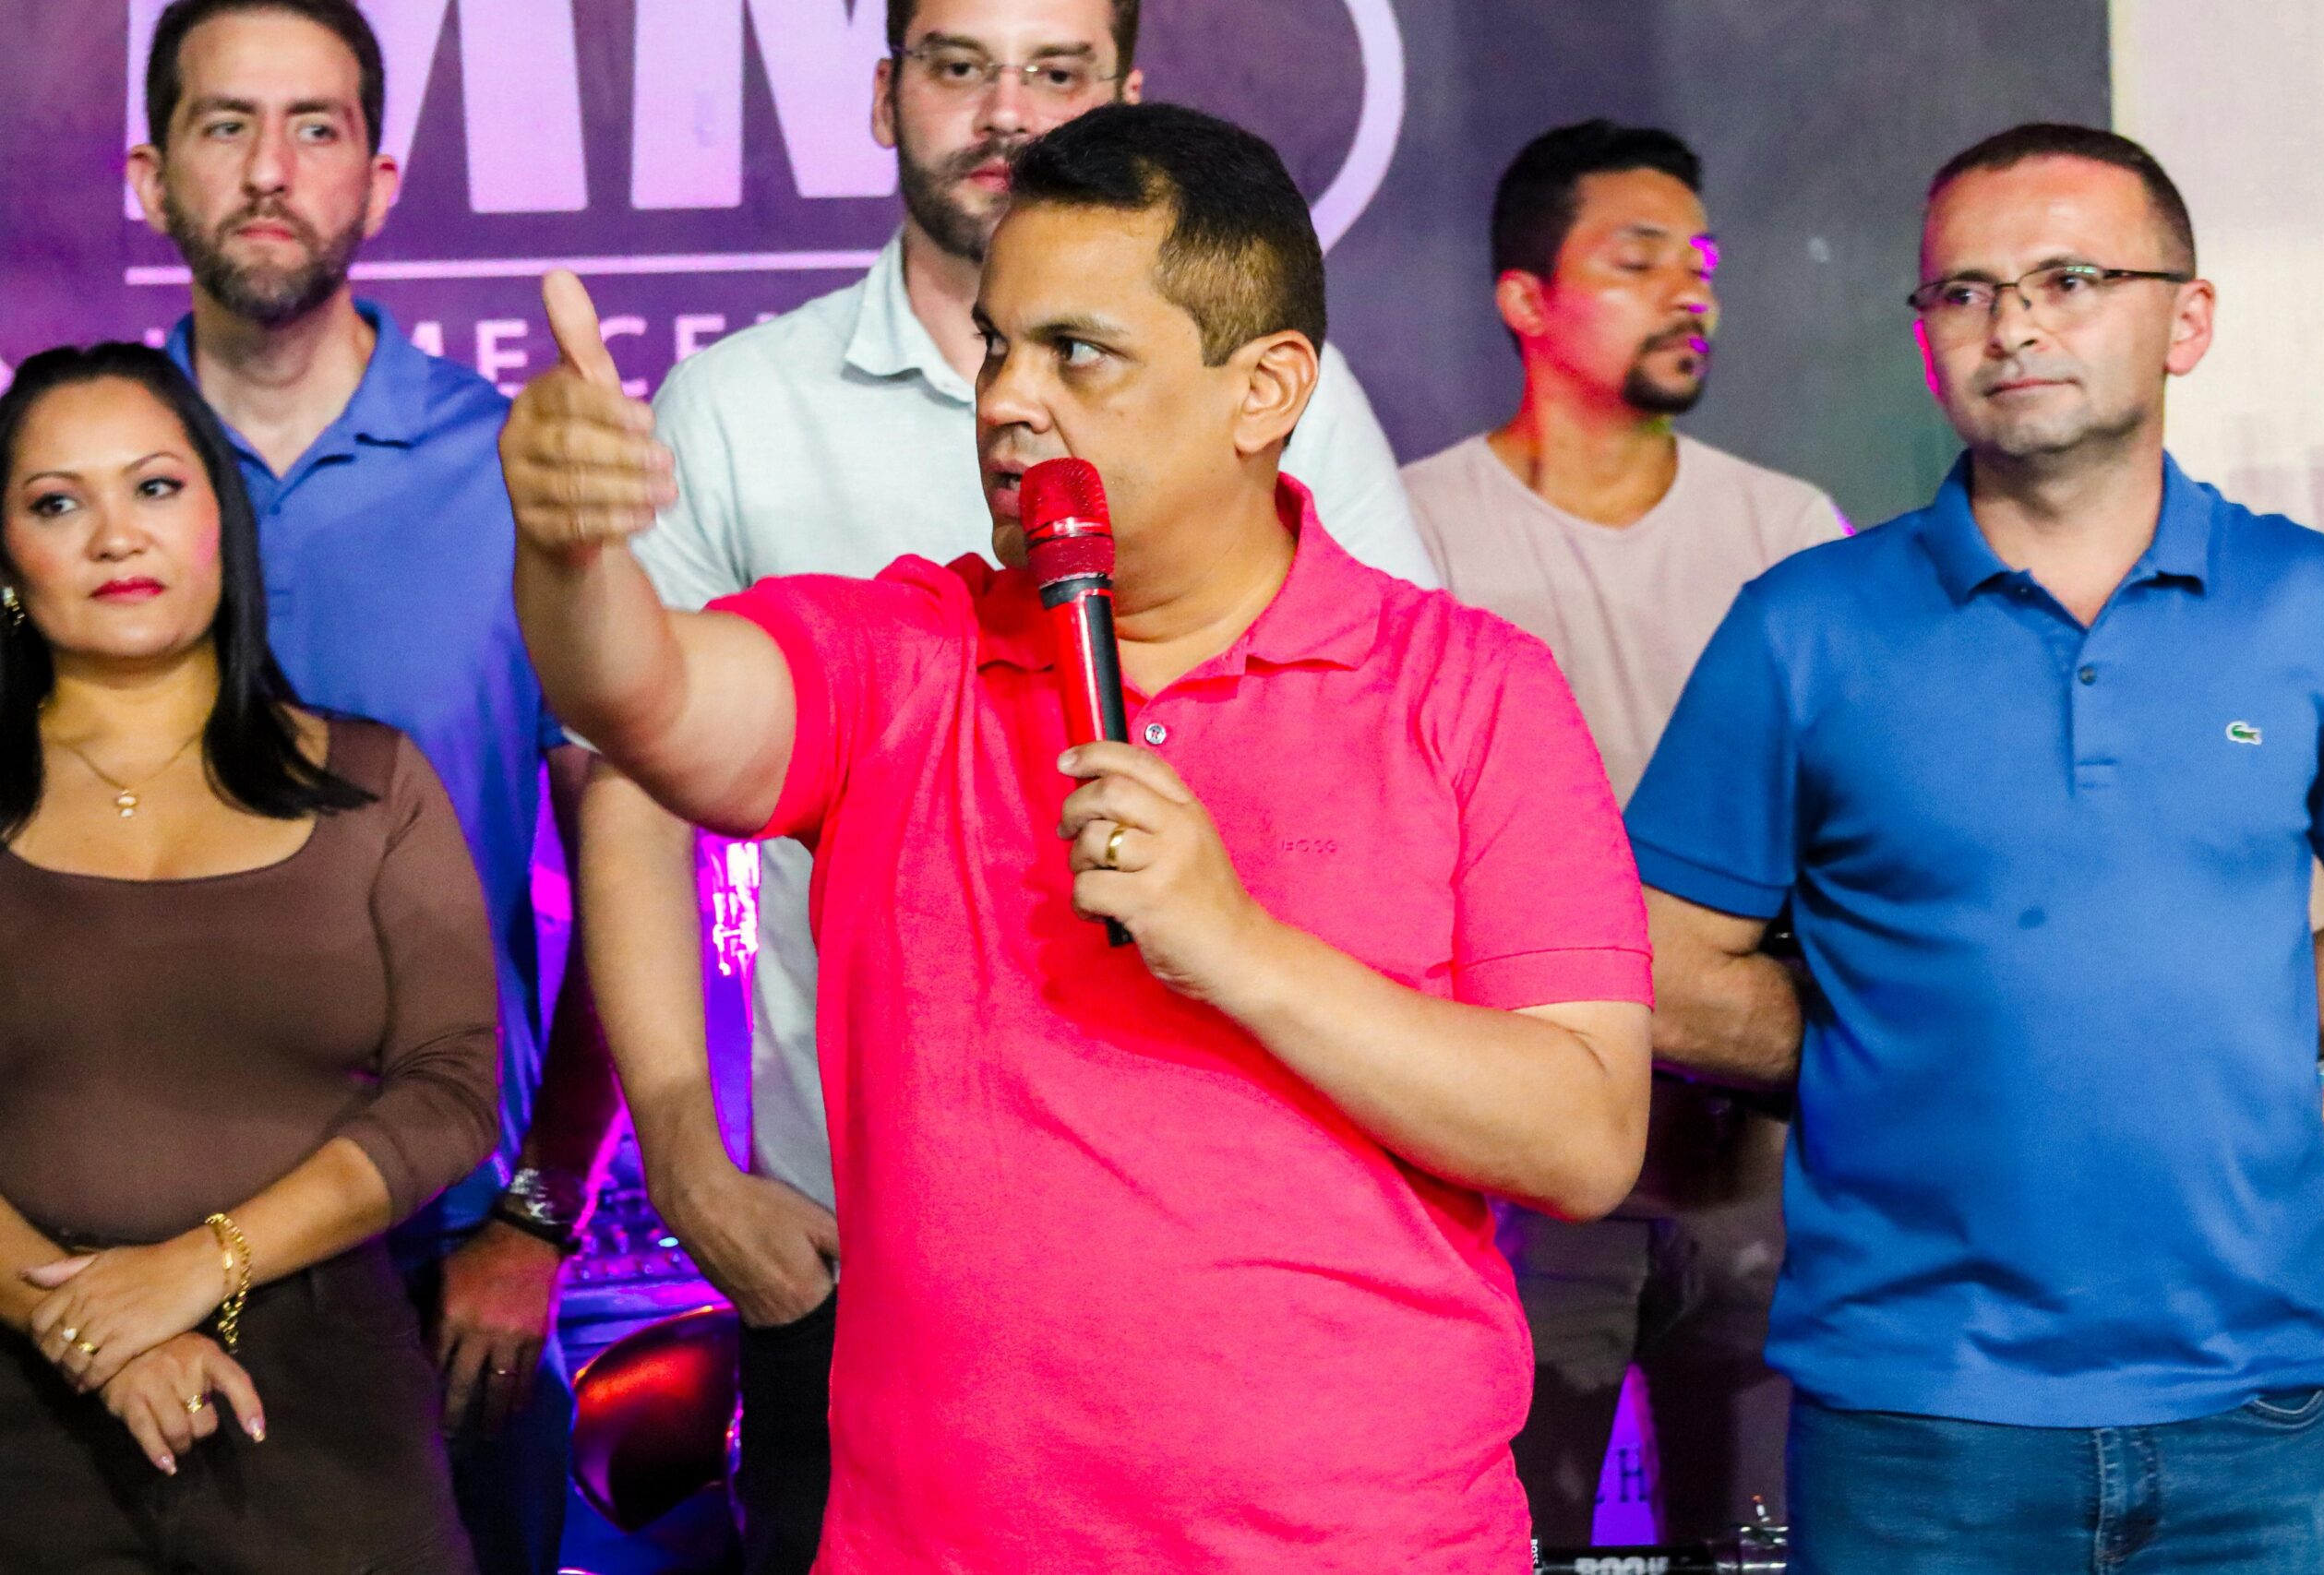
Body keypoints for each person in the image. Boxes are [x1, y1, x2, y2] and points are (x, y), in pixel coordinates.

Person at [504, 101, 1654, 1571]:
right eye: (997, 346)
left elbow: (1584, 1136)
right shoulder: (907, 653)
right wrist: (569, 550)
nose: (1005, 401)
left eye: (1077, 354)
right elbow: (647, 697)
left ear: (1265, 390)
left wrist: (1236, 947)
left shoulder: (1467, 689)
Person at [1627, 122, 2324, 1573]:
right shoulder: (1804, 625)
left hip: (2262, 1417)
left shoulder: (2317, 603)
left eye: (2069, 278)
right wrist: (1893, 1041)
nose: (2013, 324)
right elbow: (1652, 960)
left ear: (2187, 320)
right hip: (1916, 1429)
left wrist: (2233, 1010)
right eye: (1963, 291)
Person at [127, 6, 620, 1569]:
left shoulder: (513, 476)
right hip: (114, 1261)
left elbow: (633, 870)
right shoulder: (74, 491)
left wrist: (536, 1213)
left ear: (381, 179)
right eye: (225, 124)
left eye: (317, 127)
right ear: (150, 175)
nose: (270, 170)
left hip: (440, 1261)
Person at [1403, 120, 1845, 1544]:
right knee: (1505, 1538)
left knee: (1769, 1541)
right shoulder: (1410, 533)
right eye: (1638, 257)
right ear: (1526, 299)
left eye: (1699, 260)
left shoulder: (1789, 534)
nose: (1689, 289)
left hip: (1758, 1173)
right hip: (1514, 1173)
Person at [0, 342, 496, 1574]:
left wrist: (193, 1271)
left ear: (222, 519)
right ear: (6, 559)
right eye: (57, 503)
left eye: (155, 487)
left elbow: (453, 1090)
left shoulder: (372, 784)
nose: (117, 536)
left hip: (326, 1419)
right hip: (24, 1417)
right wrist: (95, 1331)